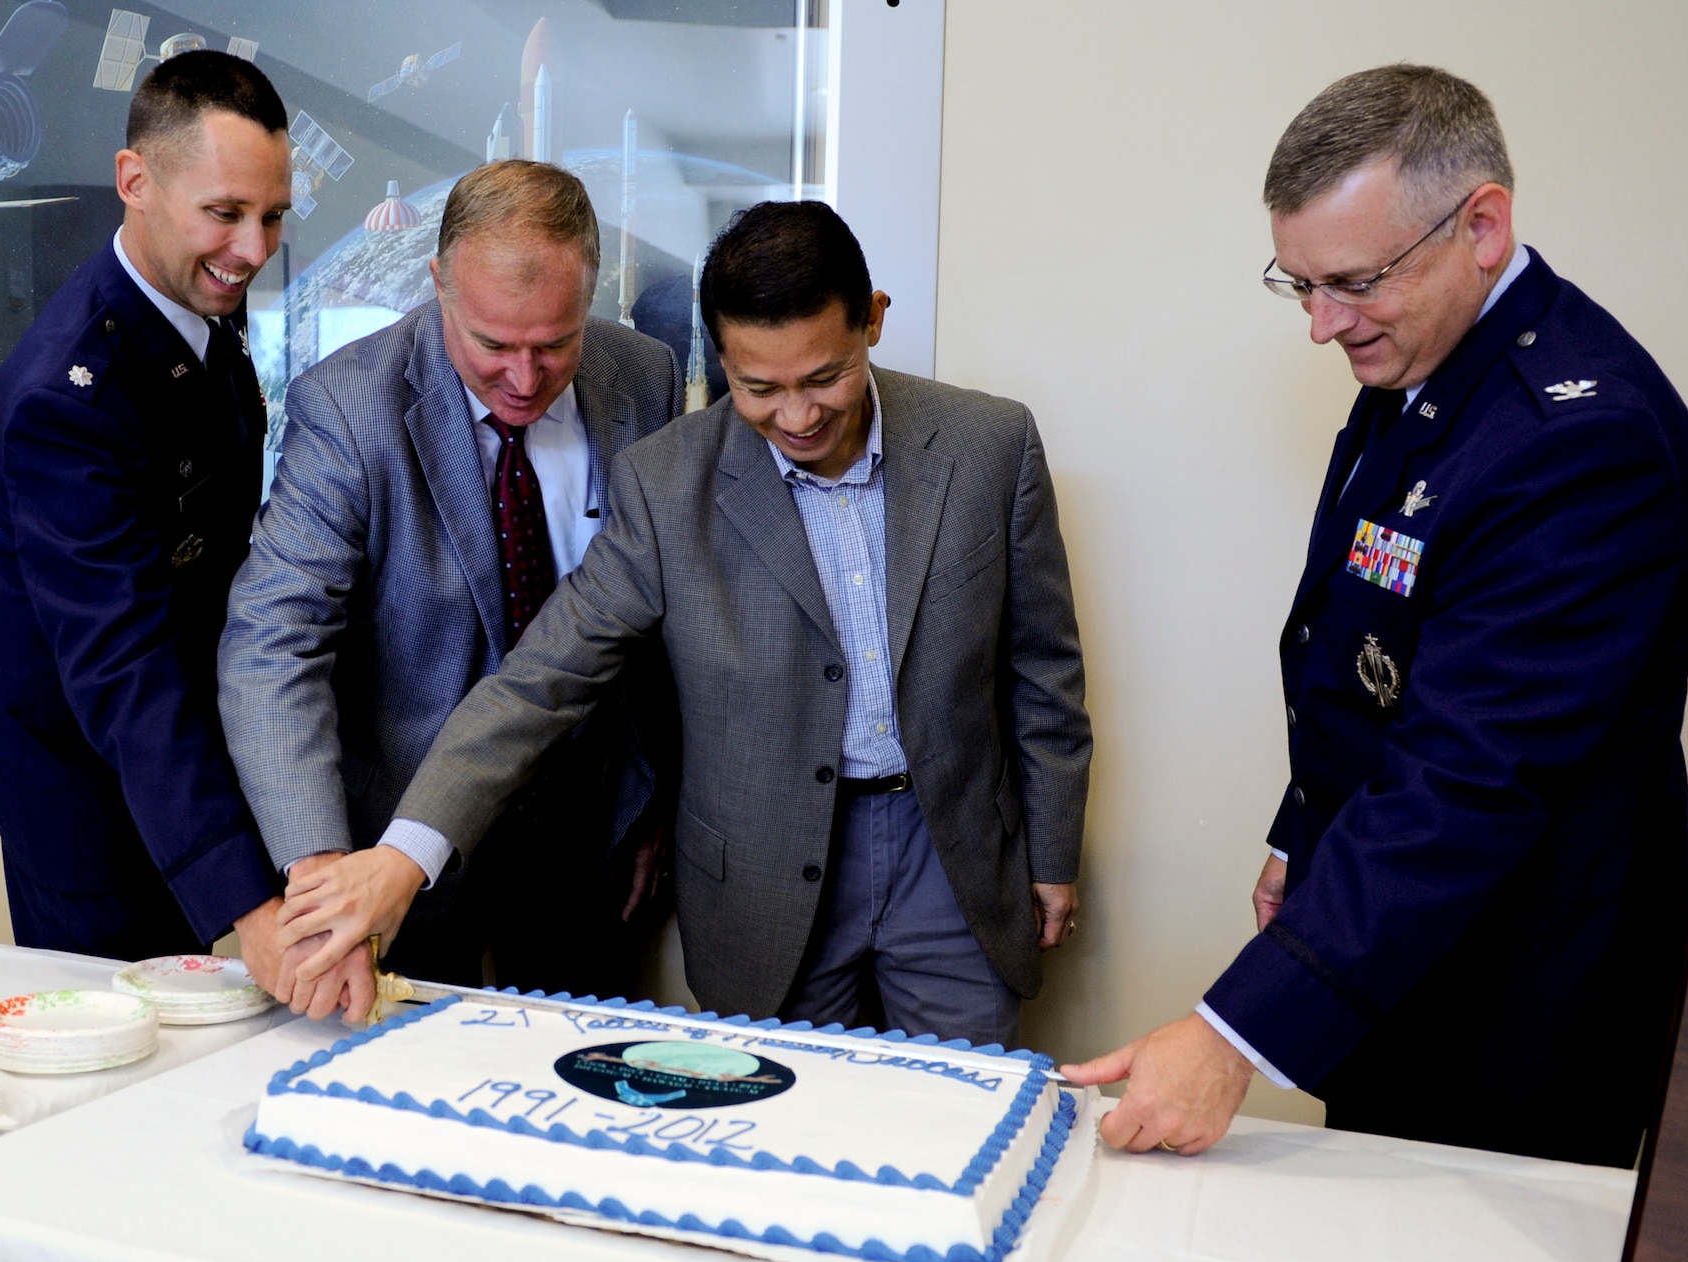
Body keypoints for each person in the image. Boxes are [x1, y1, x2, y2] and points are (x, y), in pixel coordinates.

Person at [1063, 65, 1688, 1166]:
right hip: (1393, 944)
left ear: (1481, 226)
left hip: (1517, 1006)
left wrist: (1231, 1033)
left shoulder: (1575, 442)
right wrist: (1302, 830)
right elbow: (1368, 637)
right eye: (1299, 283)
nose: (1321, 326)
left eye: (1353, 281)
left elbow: (1466, 772)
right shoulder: (1423, 360)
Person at [269, 201, 1092, 1048]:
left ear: (873, 321)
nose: (799, 418)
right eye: (758, 388)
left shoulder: (991, 444)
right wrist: (404, 856)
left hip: (951, 855)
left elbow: (1043, 670)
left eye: (824, 378)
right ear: (720, 358)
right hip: (768, 876)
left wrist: (1054, 850)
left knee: (960, 1114)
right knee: (777, 1128)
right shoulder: (667, 485)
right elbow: (539, 679)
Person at [218, 160, 682, 1002]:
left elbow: (651, 616)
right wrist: (325, 878)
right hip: (396, 835)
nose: (525, 378)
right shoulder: (350, 407)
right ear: (438, 285)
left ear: (593, 288)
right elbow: (271, 645)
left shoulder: (644, 378)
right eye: (493, 345)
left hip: (586, 827)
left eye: (555, 344)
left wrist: (653, 799)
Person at [0, 52, 369, 1019]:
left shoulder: (203, 319)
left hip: (192, 770)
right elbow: (125, 667)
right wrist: (247, 899)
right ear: (135, 181)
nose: (252, 247)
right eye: (224, 212)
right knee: (120, 1081)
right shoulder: (62, 400)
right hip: (93, 799)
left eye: (273, 216)